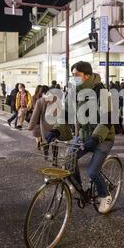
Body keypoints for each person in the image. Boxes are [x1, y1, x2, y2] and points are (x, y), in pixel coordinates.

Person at [45, 61, 115, 214]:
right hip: (84, 136)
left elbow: (108, 118)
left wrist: (96, 138)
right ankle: (77, 187)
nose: (74, 78)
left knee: (92, 171)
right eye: (72, 75)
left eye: (76, 75)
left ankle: (105, 195)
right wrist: (55, 131)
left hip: (104, 137)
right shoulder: (74, 92)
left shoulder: (101, 92)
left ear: (87, 76)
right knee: (69, 159)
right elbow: (66, 114)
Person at [28, 85, 56, 151]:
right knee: (55, 141)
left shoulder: (40, 101)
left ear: (41, 92)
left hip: (45, 124)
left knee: (45, 140)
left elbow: (35, 115)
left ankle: (46, 157)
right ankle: (55, 159)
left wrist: (30, 126)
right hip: (55, 123)